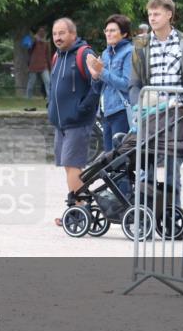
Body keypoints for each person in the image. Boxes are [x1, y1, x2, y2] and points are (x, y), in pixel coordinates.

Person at [128, 0, 183, 211]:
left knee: (172, 167)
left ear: (169, 15)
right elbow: (134, 82)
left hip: (175, 113)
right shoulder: (140, 44)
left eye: (157, 13)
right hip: (148, 112)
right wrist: (137, 105)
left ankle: (172, 215)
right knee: (145, 166)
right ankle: (145, 215)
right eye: (150, 14)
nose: (152, 18)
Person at [47, 17, 100, 228]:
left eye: (61, 33)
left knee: (73, 165)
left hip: (78, 121)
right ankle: (76, 208)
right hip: (61, 123)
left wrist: (82, 110)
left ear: (73, 34)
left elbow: (97, 84)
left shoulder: (84, 54)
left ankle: (80, 210)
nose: (57, 37)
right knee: (68, 167)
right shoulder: (57, 57)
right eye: (54, 34)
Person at [87, 14, 133, 152]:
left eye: (112, 30)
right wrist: (95, 76)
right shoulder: (106, 53)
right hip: (106, 110)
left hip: (121, 110)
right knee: (108, 157)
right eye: (106, 30)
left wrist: (101, 72)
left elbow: (126, 84)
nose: (108, 33)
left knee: (119, 158)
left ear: (124, 33)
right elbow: (99, 86)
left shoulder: (129, 52)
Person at [26, 26, 52, 99]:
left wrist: (50, 67)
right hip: (34, 65)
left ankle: (50, 98)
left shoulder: (46, 43)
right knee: (31, 83)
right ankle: (28, 98)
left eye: (43, 32)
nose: (42, 34)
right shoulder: (34, 41)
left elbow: (48, 55)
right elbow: (29, 50)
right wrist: (34, 40)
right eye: (40, 32)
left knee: (48, 82)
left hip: (43, 65)